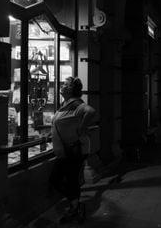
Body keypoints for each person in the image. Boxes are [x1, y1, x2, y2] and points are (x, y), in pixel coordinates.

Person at [49, 76, 96, 224]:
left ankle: (74, 207)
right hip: (65, 151)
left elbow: (91, 111)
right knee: (60, 179)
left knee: (68, 179)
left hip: (75, 150)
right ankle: (75, 203)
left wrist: (81, 129)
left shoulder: (78, 105)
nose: (61, 86)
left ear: (70, 89)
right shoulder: (65, 105)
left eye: (64, 84)